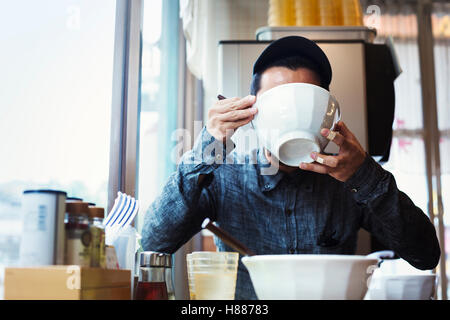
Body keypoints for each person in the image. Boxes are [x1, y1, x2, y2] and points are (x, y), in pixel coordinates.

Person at [141, 36, 440, 300]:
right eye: (281, 104)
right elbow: (153, 241)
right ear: (253, 114)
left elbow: (426, 255)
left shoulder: (350, 182)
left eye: (306, 103)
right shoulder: (224, 178)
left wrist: (366, 174)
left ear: (326, 114)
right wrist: (206, 147)